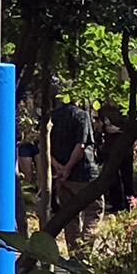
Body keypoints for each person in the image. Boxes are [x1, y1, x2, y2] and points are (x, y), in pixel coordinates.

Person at [47, 96, 103, 239]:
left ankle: (73, 254)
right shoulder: (81, 115)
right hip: (84, 173)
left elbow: (44, 145)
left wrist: (58, 167)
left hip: (61, 176)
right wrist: (68, 167)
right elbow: (81, 145)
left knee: (69, 215)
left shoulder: (52, 117)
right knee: (94, 210)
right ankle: (84, 252)